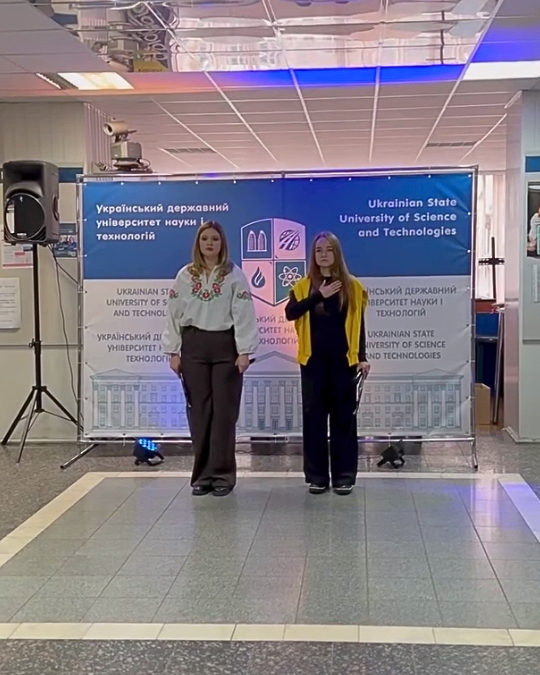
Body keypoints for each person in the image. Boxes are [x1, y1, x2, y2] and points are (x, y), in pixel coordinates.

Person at [162, 220, 258, 497]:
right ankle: (202, 476)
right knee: (199, 413)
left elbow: (244, 314)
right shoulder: (185, 275)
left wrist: (244, 351)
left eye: (215, 239)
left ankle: (223, 475)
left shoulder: (234, 275)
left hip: (225, 346)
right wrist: (173, 352)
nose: (210, 244)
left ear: (222, 243)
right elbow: (173, 315)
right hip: (194, 346)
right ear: (198, 243)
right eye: (205, 239)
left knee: (224, 413)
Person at [285, 232, 369, 495]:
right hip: (313, 362)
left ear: (337, 253)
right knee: (314, 419)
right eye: (318, 250)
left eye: (328, 250)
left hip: (344, 361)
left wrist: (362, 357)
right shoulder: (303, 286)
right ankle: (317, 476)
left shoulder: (352, 286)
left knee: (344, 419)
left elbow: (359, 324)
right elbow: (291, 313)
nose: (323, 254)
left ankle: (344, 476)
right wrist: (318, 295)